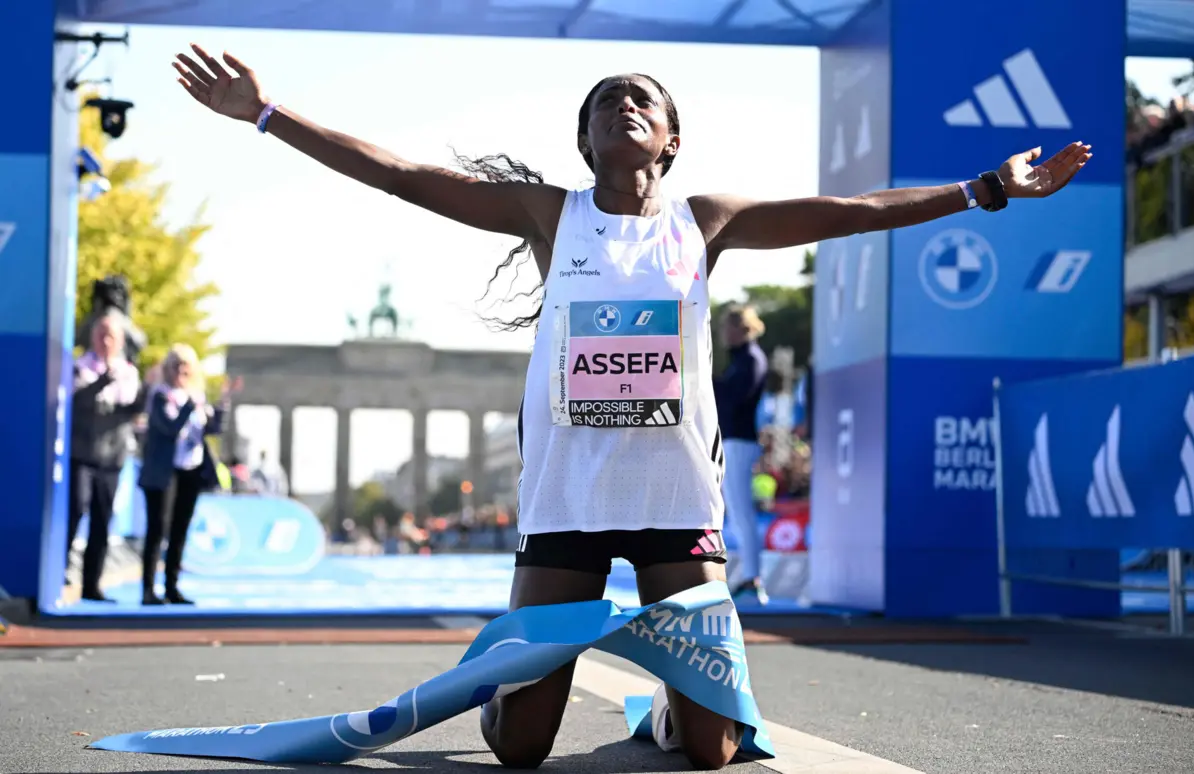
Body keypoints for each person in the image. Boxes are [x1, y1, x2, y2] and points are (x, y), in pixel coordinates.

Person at [172, 43, 1091, 770]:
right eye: (605, 101)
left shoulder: (706, 221)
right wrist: (263, 112)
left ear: (672, 140)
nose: (625, 104)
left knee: (710, 752)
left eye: (643, 99)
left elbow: (848, 208)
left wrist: (987, 190)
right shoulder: (548, 214)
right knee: (522, 748)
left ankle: (668, 703)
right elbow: (403, 176)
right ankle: (514, 678)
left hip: (678, 504)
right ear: (586, 144)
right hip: (569, 503)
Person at [138, 344, 237, 605]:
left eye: (186, 368)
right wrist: (187, 409)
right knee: (158, 529)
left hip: (190, 470)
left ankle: (172, 585)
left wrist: (223, 404)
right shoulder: (160, 396)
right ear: (167, 369)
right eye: (175, 367)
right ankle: (148, 589)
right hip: (164, 471)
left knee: (180, 530)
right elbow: (168, 428)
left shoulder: (197, 396)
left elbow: (211, 429)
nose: (181, 372)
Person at [67, 312, 143, 602]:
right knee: (76, 508)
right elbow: (81, 401)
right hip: (84, 453)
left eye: (112, 335)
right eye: (101, 334)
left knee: (103, 520)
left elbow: (130, 409)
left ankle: (92, 584)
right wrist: (103, 380)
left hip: (112, 457)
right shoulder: (79, 366)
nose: (106, 340)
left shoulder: (129, 371)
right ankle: (60, 569)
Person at [714, 306, 770, 605]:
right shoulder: (742, 360)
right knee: (735, 512)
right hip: (732, 439)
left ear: (740, 328)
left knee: (741, 510)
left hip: (740, 441)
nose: (724, 333)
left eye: (727, 327)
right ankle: (749, 576)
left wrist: (708, 382)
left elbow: (735, 399)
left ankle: (753, 578)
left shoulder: (751, 360)